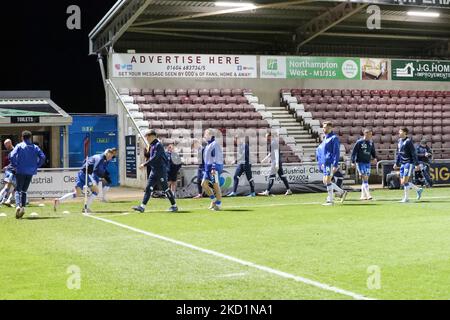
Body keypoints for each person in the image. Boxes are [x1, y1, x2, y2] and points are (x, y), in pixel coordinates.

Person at [132, 130, 178, 213]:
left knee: (165, 189)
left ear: (152, 136)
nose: (146, 139)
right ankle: (142, 207)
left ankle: (174, 206)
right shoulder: (152, 145)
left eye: (147, 137)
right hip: (154, 171)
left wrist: (144, 164)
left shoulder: (158, 145)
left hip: (160, 171)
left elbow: (155, 158)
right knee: (148, 188)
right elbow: (151, 157)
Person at [9, 131, 46, 219]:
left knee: (18, 190)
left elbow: (12, 155)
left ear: (22, 137)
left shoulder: (19, 146)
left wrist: (15, 165)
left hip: (20, 170)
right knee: (24, 191)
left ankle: (18, 206)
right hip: (30, 171)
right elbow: (43, 157)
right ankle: (23, 207)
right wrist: (37, 165)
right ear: (30, 137)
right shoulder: (35, 147)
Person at [316, 122, 348, 206]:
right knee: (325, 181)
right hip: (325, 163)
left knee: (328, 180)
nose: (324, 129)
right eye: (323, 127)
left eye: (326, 127)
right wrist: (322, 163)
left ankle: (330, 200)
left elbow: (336, 152)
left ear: (330, 128)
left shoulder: (334, 138)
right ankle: (342, 192)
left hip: (330, 162)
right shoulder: (325, 139)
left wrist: (335, 165)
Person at [393, 128, 423, 203]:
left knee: (405, 181)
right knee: (403, 182)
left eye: (400, 131)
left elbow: (413, 153)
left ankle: (406, 199)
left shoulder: (409, 141)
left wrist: (416, 164)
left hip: (408, 163)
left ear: (405, 133)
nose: (399, 133)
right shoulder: (399, 141)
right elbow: (399, 153)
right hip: (403, 164)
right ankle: (418, 189)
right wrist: (396, 163)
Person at [258, 132, 292, 196]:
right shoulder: (272, 143)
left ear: (270, 136)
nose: (266, 138)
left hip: (275, 162)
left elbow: (276, 153)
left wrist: (276, 163)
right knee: (282, 176)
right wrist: (264, 159)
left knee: (271, 176)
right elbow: (271, 153)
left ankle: (267, 191)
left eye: (267, 137)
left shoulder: (274, 143)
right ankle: (289, 190)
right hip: (277, 161)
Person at [351, 129, 377, 200]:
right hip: (360, 162)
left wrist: (374, 157)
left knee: (365, 179)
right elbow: (354, 152)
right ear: (365, 134)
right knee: (365, 177)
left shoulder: (371, 142)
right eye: (369, 134)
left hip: (367, 162)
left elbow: (373, 151)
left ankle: (362, 196)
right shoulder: (359, 142)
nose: (370, 136)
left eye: (371, 134)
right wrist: (352, 161)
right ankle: (368, 195)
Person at [201, 129, 223, 211]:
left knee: (215, 185)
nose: (204, 136)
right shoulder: (207, 145)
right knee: (203, 184)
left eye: (205, 134)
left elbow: (215, 157)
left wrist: (213, 168)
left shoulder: (214, 144)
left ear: (210, 135)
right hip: (207, 168)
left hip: (214, 167)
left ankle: (219, 203)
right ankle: (213, 200)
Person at [0, 139, 15, 206]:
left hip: (13, 171)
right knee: (9, 186)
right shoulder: (9, 151)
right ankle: (6, 200)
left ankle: (5, 200)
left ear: (10, 143)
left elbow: (14, 163)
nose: (5, 146)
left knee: (9, 186)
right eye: (4, 144)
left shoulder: (14, 150)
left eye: (6, 144)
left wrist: (7, 166)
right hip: (10, 171)